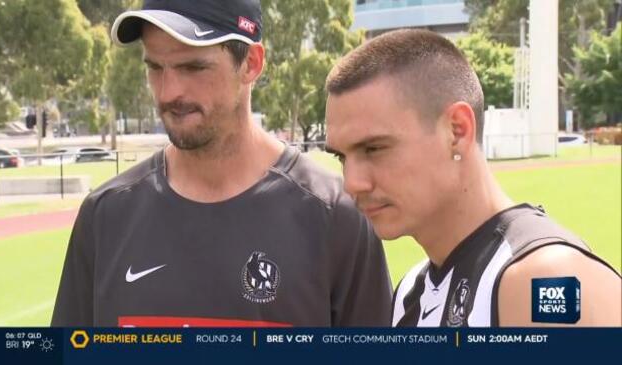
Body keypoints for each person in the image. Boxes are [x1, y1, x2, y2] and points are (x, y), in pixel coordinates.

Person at [51, 0, 392, 327]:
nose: (169, 93)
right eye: (155, 67)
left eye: (193, 67)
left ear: (252, 64)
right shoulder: (105, 216)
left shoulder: (336, 216)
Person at [324, 29, 621, 327]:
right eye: (342, 157)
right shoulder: (409, 295)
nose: (352, 183)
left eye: (374, 148)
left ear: (457, 131)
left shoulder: (545, 280)